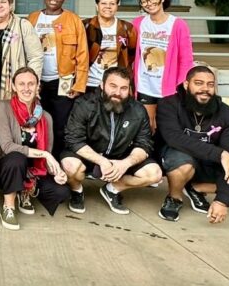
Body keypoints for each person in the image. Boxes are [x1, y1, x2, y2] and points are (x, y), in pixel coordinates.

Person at [156, 66, 229, 224]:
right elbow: (174, 138)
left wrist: (222, 201)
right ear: (186, 85)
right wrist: (220, 154)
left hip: (210, 163)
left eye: (210, 84)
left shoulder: (227, 114)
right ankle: (174, 198)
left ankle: (196, 188)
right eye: (199, 83)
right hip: (180, 157)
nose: (205, 89)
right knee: (182, 164)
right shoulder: (169, 104)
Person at [61, 67, 162, 215]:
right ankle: (77, 191)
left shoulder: (138, 110)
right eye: (113, 86)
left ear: (129, 89)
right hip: (89, 155)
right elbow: (73, 139)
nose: (118, 92)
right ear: (102, 85)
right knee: (70, 166)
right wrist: (102, 161)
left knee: (154, 174)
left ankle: (113, 189)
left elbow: (144, 143)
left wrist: (125, 163)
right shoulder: (85, 104)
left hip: (120, 157)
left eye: (123, 88)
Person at [0, 67, 69, 230]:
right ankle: (9, 207)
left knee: (62, 191)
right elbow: (7, 146)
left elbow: (46, 157)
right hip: (6, 168)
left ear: (38, 86)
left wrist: (57, 172)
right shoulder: (2, 107)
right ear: (13, 86)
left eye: (31, 84)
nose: (26, 88)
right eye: (21, 84)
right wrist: (45, 154)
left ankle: (27, 191)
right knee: (16, 158)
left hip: (33, 171)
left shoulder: (45, 116)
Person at [27, 0, 89, 155]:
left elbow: (83, 55)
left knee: (60, 124)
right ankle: (38, 162)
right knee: (36, 123)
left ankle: (58, 162)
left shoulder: (73, 20)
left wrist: (79, 84)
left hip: (63, 82)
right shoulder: (32, 19)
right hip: (36, 82)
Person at [133, 0, 195, 131]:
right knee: (147, 126)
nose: (149, 3)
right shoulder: (138, 23)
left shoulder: (178, 24)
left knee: (167, 127)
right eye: (144, 1)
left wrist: (181, 85)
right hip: (144, 84)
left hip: (169, 87)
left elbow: (186, 59)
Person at [83, 0, 137, 95]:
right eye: (103, 3)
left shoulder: (127, 28)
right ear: (97, 6)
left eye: (112, 4)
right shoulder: (85, 26)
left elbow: (131, 54)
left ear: (117, 6)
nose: (108, 7)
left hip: (116, 86)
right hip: (90, 83)